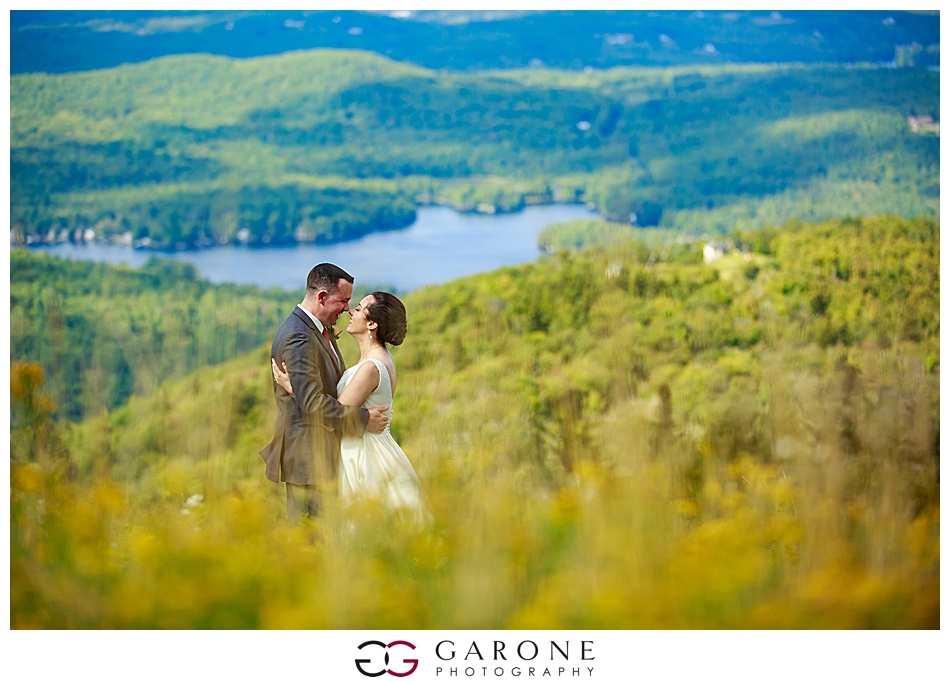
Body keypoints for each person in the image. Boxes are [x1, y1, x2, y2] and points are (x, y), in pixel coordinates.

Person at [272, 290, 425, 516]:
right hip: (370, 447)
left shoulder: (371, 367)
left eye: (359, 308)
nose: (350, 311)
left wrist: (295, 388)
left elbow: (329, 421)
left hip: (364, 456)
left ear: (372, 324)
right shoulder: (380, 358)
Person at [260, 263, 390, 525]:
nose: (346, 309)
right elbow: (312, 402)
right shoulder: (299, 336)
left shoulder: (316, 330)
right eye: (343, 301)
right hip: (309, 460)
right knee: (310, 543)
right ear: (321, 297)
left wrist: (293, 388)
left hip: (321, 455)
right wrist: (363, 420)